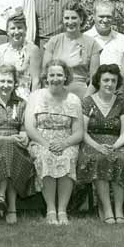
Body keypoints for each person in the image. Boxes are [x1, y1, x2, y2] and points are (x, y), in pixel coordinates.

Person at [26, 60, 84, 225]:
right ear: (46, 76)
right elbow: (30, 127)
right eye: (52, 75)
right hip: (40, 140)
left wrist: (65, 144)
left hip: (66, 141)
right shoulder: (35, 96)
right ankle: (51, 209)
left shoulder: (73, 99)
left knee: (66, 157)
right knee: (46, 157)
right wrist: (46, 144)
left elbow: (79, 132)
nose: (55, 78)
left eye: (59, 75)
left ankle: (62, 210)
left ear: (66, 77)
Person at [77, 64, 124, 224]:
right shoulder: (88, 102)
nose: (109, 84)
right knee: (99, 158)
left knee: (121, 159)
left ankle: (119, 209)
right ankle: (106, 207)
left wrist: (115, 146)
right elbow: (82, 131)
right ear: (99, 82)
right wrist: (97, 146)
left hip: (116, 142)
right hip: (92, 142)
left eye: (113, 80)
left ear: (117, 83)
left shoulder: (121, 102)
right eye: (106, 80)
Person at [0, 64, 34, 225]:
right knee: (7, 148)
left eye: (9, 82)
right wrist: (9, 139)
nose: (5, 85)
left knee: (11, 152)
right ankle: (12, 208)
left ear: (15, 83)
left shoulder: (22, 103)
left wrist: (23, 137)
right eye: (2, 81)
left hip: (16, 145)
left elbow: (24, 129)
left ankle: (1, 195)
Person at [42, 3, 101, 99]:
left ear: (81, 19)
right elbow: (45, 75)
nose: (70, 22)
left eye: (74, 18)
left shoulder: (92, 44)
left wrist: (85, 100)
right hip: (55, 92)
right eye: (66, 18)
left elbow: (94, 80)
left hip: (81, 94)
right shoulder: (53, 41)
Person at [0, 11, 41, 101]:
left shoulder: (32, 50)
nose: (16, 32)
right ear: (7, 31)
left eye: (20, 28)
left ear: (25, 29)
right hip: (3, 95)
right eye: (12, 28)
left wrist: (33, 104)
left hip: (23, 98)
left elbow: (36, 81)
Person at [84, 0, 124, 68]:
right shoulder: (83, 40)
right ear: (93, 16)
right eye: (101, 16)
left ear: (114, 17)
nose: (105, 20)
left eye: (108, 17)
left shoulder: (122, 41)